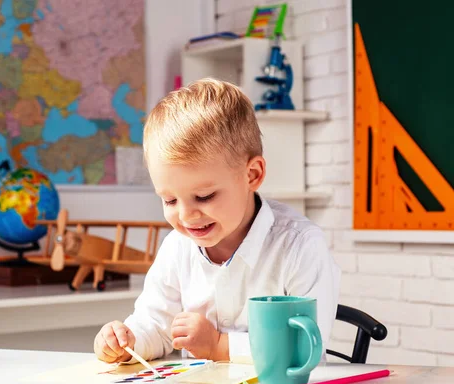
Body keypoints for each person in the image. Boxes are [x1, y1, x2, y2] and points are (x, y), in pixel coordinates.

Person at [94, 78, 341, 364]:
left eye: (204, 196)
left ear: (252, 175)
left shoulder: (300, 246)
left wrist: (220, 345)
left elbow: (306, 346)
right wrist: (128, 341)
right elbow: (156, 326)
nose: (186, 216)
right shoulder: (177, 247)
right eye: (170, 200)